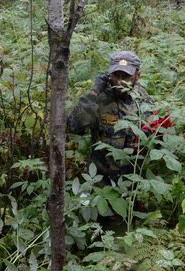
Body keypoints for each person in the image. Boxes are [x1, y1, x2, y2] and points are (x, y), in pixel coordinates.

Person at [66, 51, 154, 183]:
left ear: (138, 75)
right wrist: (94, 92)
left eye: (126, 76)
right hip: (98, 179)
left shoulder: (144, 102)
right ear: (109, 74)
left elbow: (151, 142)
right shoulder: (98, 98)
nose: (120, 81)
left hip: (130, 181)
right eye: (116, 75)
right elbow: (73, 126)